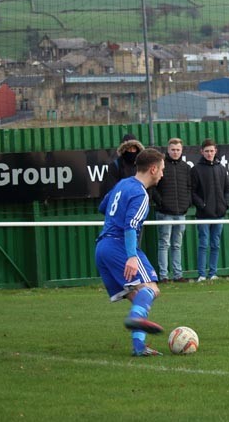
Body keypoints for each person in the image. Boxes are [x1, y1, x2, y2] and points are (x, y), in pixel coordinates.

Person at [95, 148, 166, 357]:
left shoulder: (122, 184)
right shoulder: (140, 193)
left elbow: (103, 206)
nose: (163, 174)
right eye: (162, 169)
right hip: (120, 245)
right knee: (152, 288)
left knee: (137, 297)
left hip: (102, 247)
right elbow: (130, 225)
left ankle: (139, 347)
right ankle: (135, 320)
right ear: (153, 169)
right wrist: (132, 256)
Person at [151, 137, 192, 283]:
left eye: (178, 150)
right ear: (168, 150)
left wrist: (187, 204)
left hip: (181, 213)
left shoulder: (186, 168)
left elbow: (189, 188)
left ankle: (178, 275)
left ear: (181, 151)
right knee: (164, 244)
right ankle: (163, 276)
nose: (175, 152)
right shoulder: (161, 166)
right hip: (164, 213)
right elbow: (153, 187)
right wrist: (161, 203)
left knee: (177, 245)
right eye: (173, 150)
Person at [191, 138, 229, 282]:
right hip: (203, 215)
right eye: (206, 151)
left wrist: (225, 204)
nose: (209, 154)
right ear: (202, 152)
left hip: (219, 214)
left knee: (215, 244)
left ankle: (213, 273)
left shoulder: (221, 168)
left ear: (216, 151)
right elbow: (192, 192)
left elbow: (227, 189)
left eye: (211, 151)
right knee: (203, 244)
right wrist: (202, 206)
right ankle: (201, 275)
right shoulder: (196, 170)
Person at [100, 133, 144, 198]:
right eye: (128, 149)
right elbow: (111, 189)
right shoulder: (115, 166)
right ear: (123, 150)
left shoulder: (141, 165)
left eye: (134, 148)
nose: (131, 151)